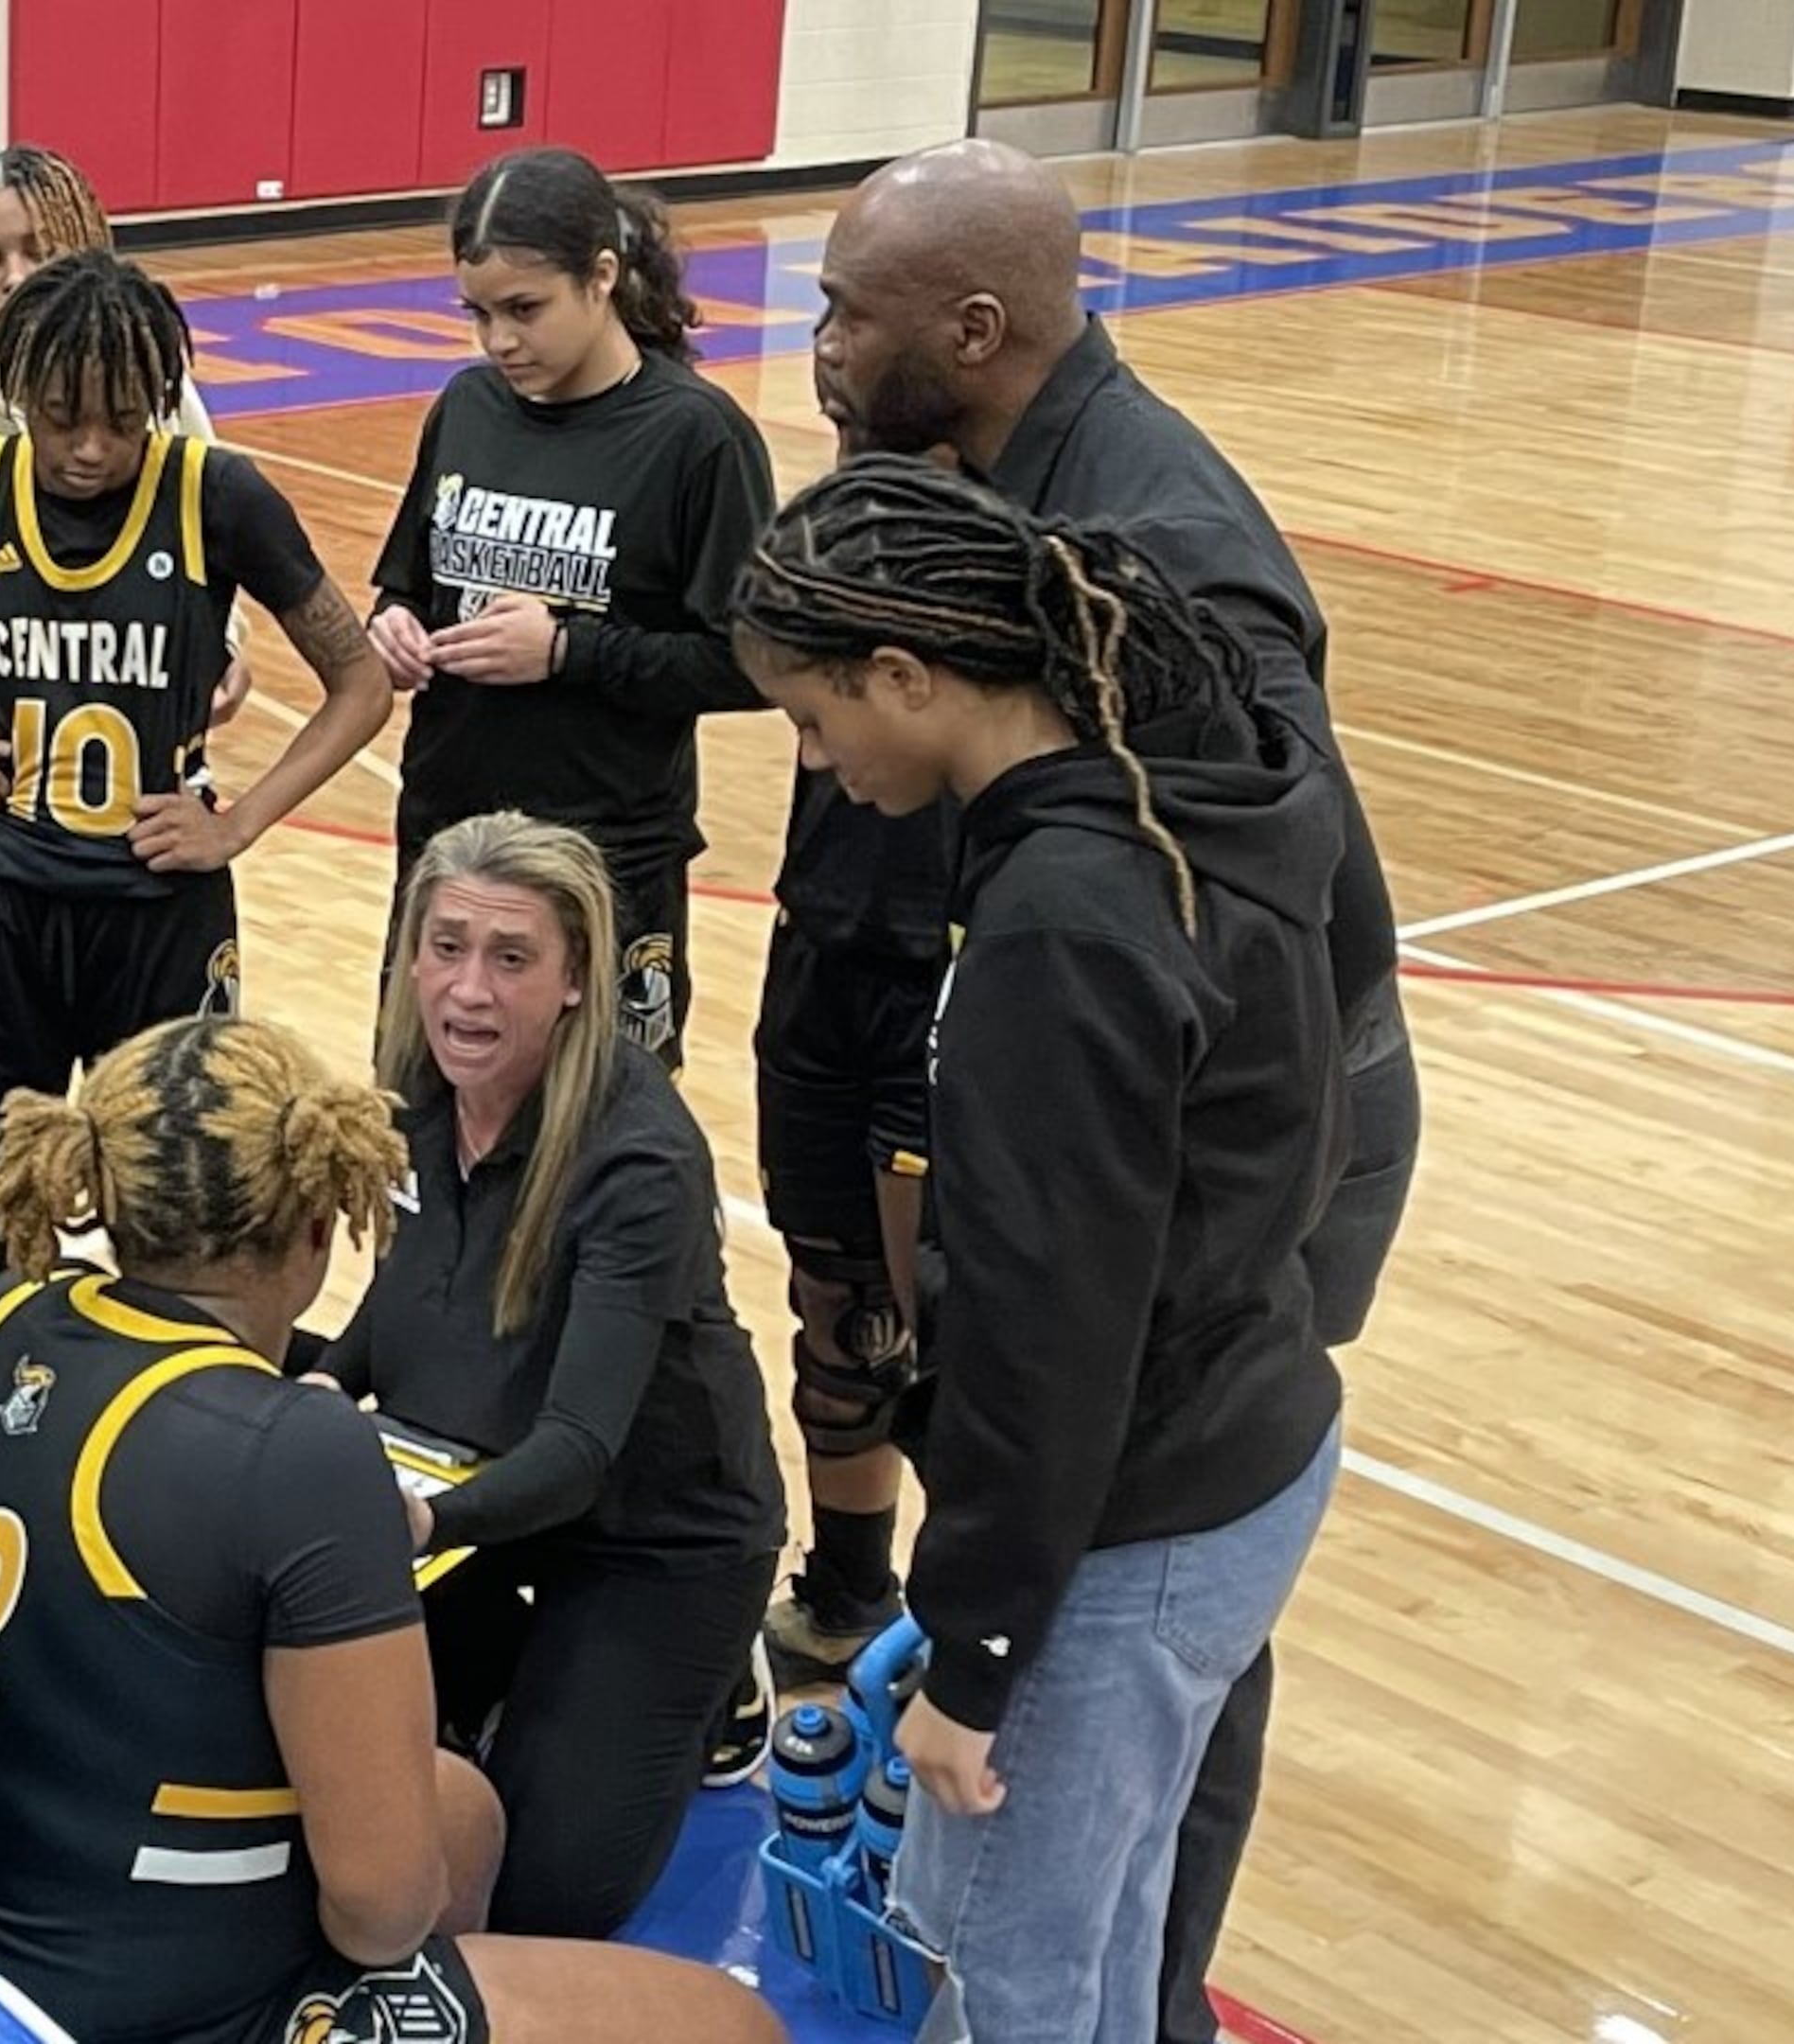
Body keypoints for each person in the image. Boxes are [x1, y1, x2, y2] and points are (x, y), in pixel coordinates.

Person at [807, 136, 1417, 2042]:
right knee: (1108, 1584)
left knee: (1147, 1627)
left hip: (1249, 1133)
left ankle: (1134, 1999)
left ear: (976, 328)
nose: (817, 346)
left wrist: (985, 1652)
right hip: (1099, 1100)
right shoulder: (963, 483)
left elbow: (1272, 912)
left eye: (848, 310)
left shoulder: (1172, 547)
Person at [0, 1014, 787, 2044]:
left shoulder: (2, 1311)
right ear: (323, 1224)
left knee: (460, 1806)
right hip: (134, 1996)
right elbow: (382, 1917)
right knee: (730, 2023)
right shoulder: (298, 1451)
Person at [730, 456, 1347, 2044]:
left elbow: (1044, 1333)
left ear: (907, 674)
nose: (816, 760)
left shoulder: (1064, 918)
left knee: (992, 1971)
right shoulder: (1191, 792)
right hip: (1247, 1446)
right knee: (1110, 1933)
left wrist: (980, 1653)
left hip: (1135, 1524)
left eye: (814, 719)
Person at [0, 249, 393, 1299]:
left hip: (158, 910)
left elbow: (357, 682)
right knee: (0, 1202)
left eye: (123, 418)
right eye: (63, 414)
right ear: (19, 389)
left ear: (160, 399)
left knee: (175, 1200)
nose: (89, 446)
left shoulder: (218, 496)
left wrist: (239, 821)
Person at [310, 813, 784, 1940]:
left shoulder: (640, 1159)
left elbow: (578, 1452)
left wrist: (412, 1522)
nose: (467, 992)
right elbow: (406, 1292)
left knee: (533, 1904)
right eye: (446, 946)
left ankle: (708, 1673)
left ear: (577, 979)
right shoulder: (416, 1087)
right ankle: (525, 1673)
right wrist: (324, 1391)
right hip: (479, 1480)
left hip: (648, 1535)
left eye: (511, 959)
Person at [365, 147, 775, 1061]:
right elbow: (410, 582)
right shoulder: (466, 407)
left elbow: (756, 662)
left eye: (524, 310)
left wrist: (569, 653)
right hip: (449, 841)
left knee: (596, 1147)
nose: (499, 341)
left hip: (605, 861)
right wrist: (391, 625)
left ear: (602, 277)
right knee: (423, 1124)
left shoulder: (695, 438)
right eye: (478, 313)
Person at [0, 145, 248, 805]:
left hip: (150, 771)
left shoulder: (160, 394)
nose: (15, 277)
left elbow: (216, 554)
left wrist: (220, 654)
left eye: (40, 251)